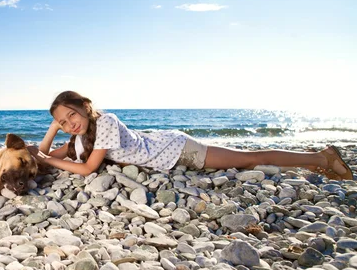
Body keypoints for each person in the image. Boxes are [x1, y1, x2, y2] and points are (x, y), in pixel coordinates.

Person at [31, 90, 354, 180]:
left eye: (71, 114)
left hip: (178, 150)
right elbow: (41, 155)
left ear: (85, 107)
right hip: (163, 145)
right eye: (63, 121)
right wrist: (51, 129)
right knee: (248, 161)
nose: (70, 123)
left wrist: (52, 160)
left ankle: (320, 158)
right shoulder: (78, 138)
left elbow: (86, 169)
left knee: (250, 159)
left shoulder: (107, 121)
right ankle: (316, 161)